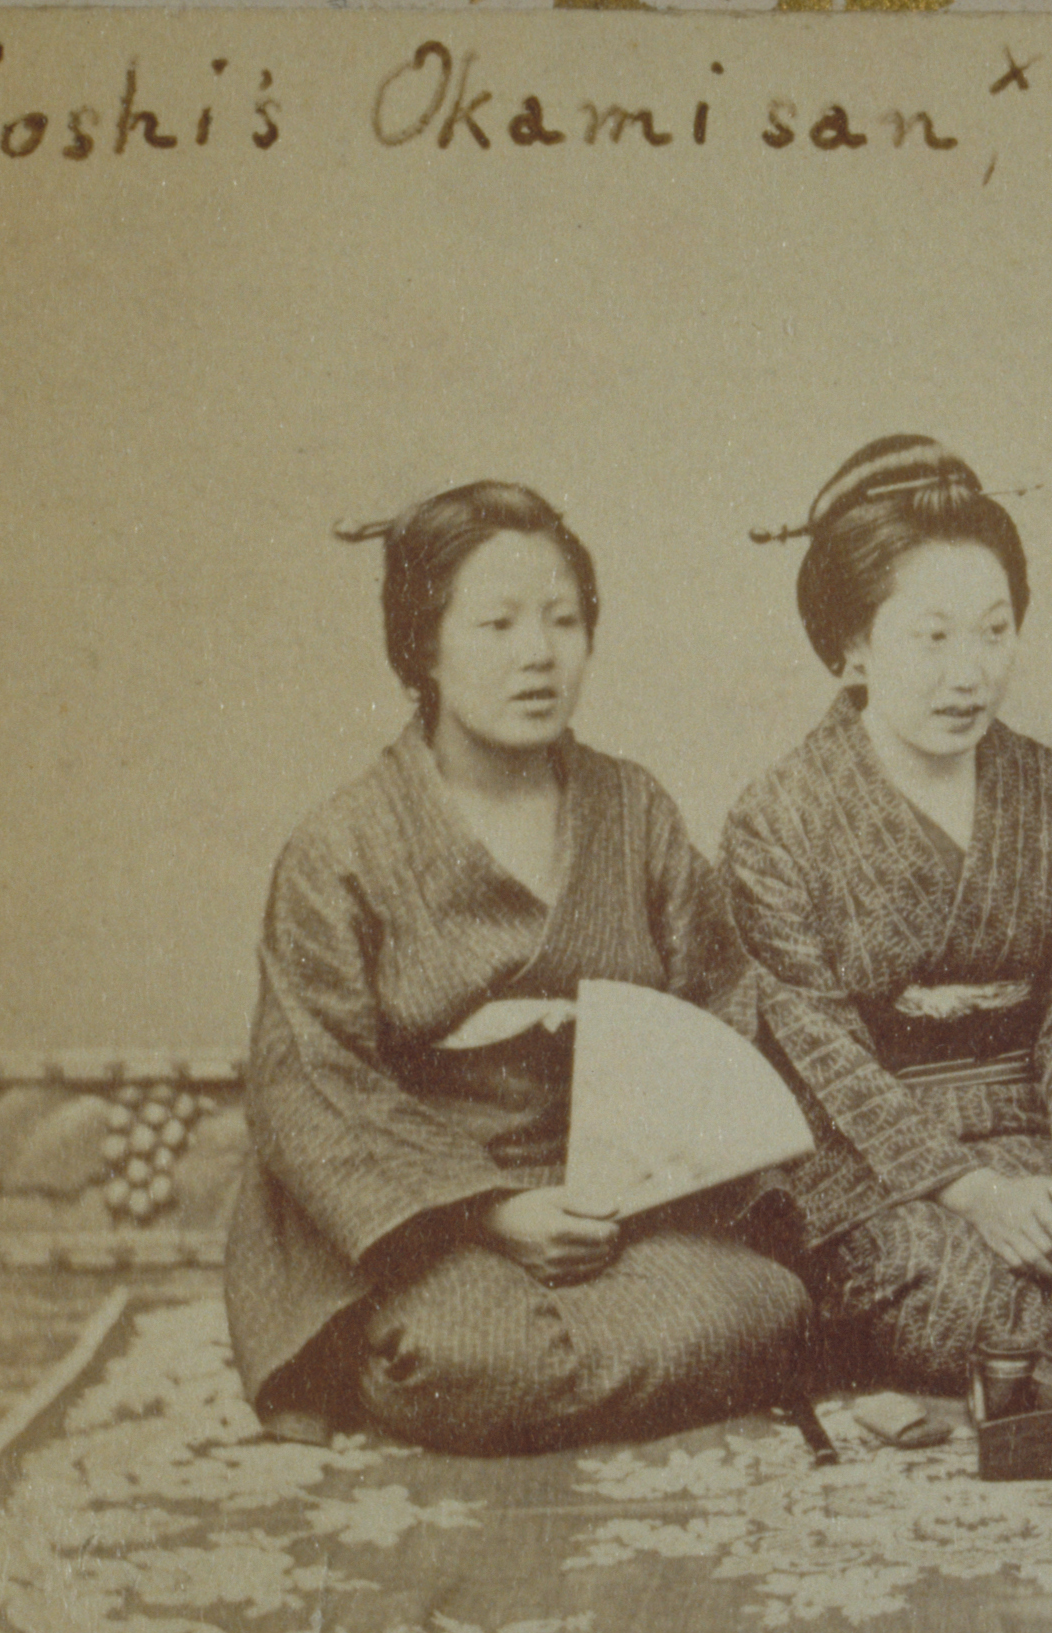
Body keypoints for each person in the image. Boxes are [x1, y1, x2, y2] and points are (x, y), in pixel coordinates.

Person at [225, 481, 812, 1454]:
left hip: (606, 1199)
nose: (537, 654)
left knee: (772, 1302)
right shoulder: (341, 847)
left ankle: (526, 1376)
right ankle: (468, 1359)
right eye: (495, 623)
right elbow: (310, 1086)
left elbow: (717, 1002)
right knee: (470, 1353)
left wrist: (631, 1180)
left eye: (564, 621)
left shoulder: (633, 810)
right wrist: (494, 1211)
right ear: (422, 643)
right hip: (426, 1217)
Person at [721, 436, 1052, 1390]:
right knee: (963, 1306)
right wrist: (972, 1193)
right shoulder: (776, 818)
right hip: (883, 1145)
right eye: (933, 636)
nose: (971, 674)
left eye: (994, 631)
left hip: (1050, 1115)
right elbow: (819, 1044)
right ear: (850, 646)